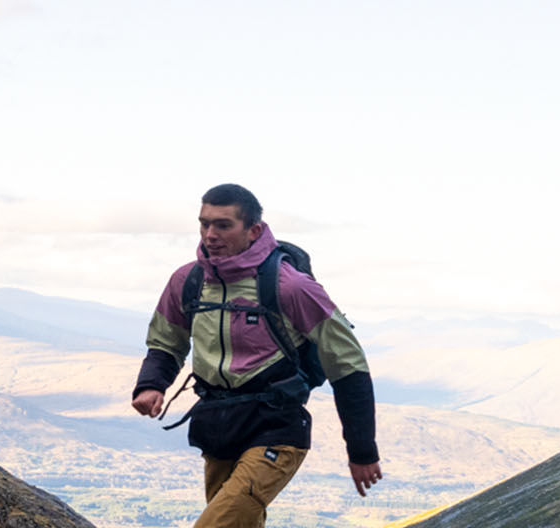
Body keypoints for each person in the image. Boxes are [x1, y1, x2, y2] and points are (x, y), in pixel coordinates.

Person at [130, 184, 382, 528]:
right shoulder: (186, 281)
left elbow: (348, 365)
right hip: (217, 425)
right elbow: (165, 342)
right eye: (204, 224)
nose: (210, 234)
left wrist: (362, 450)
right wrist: (151, 385)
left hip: (275, 425)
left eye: (223, 225)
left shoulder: (290, 286)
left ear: (254, 230)